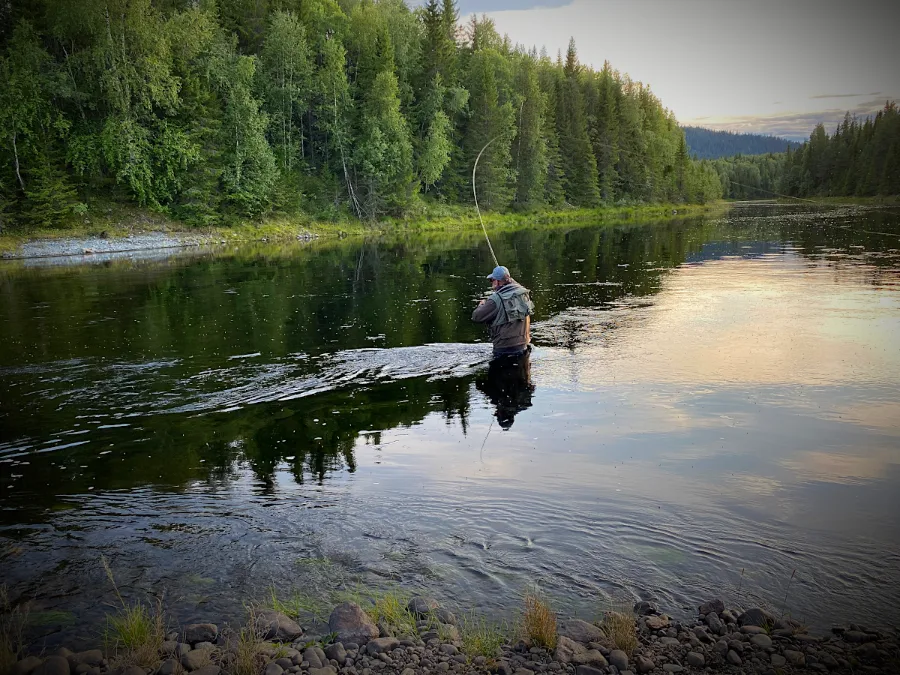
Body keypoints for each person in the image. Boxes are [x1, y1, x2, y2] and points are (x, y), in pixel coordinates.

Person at [471, 265, 534, 358]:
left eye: (492, 280)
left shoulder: (495, 300)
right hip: (524, 348)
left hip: (503, 351)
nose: (491, 283)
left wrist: (481, 306)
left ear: (497, 281)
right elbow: (515, 285)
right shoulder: (523, 293)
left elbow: (476, 317)